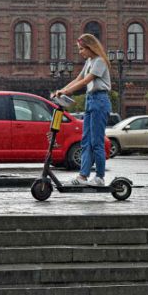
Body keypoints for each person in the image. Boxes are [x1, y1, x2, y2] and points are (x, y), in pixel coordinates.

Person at [55, 33, 112, 186]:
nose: (80, 52)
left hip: (100, 101)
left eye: (82, 49)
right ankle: (82, 176)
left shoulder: (99, 61)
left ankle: (99, 177)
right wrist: (61, 89)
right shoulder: (89, 61)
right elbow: (78, 79)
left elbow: (87, 80)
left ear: (90, 47)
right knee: (86, 141)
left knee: (97, 142)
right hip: (90, 100)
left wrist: (68, 92)